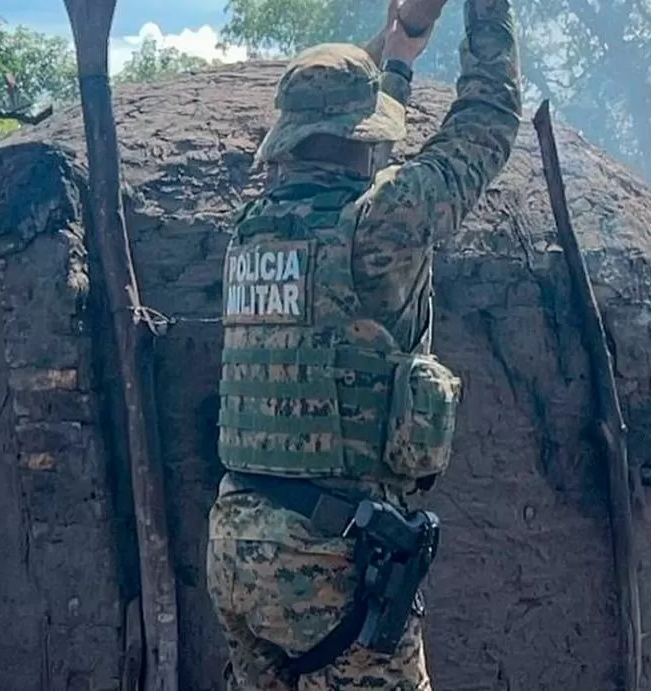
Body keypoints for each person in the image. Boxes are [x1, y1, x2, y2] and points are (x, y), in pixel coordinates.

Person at [205, 0, 522, 689]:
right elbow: (489, 120)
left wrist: (397, 52)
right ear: (363, 136)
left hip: (238, 545)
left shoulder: (255, 227)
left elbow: (363, 164)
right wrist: (487, 11)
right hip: (329, 565)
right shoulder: (380, 225)